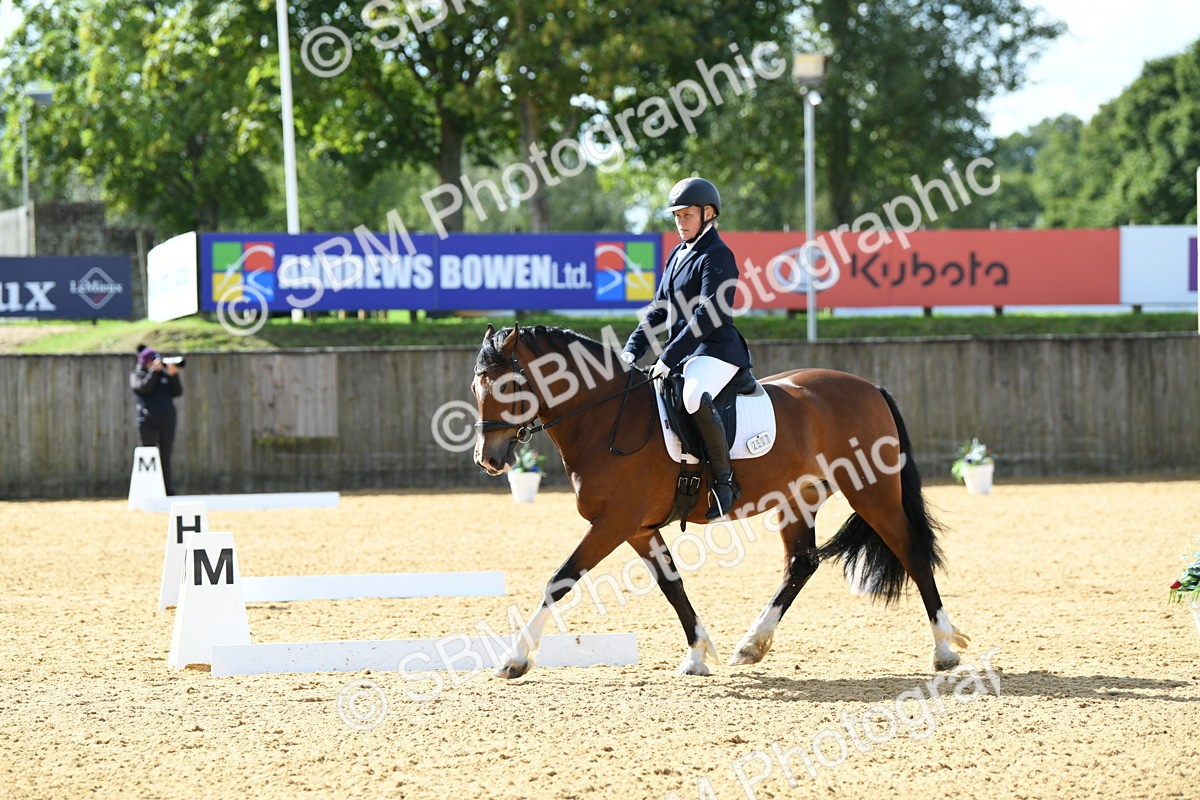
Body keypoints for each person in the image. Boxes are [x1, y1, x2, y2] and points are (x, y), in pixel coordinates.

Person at [622, 177, 752, 520]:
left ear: (708, 213)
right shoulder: (678, 254)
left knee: (693, 395)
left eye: (687, 214)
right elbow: (659, 310)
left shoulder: (718, 255)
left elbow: (708, 314)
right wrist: (632, 350)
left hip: (716, 351)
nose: (680, 221)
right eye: (677, 215)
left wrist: (668, 357)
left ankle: (725, 483)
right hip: (686, 354)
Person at [130, 343, 183, 495]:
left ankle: (167, 490)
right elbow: (145, 388)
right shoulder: (136, 376)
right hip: (147, 422)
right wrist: (153, 372)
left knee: (165, 457)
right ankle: (147, 491)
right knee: (149, 457)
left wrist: (174, 375)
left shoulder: (164, 375)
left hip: (167, 421)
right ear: (146, 362)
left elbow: (178, 392)